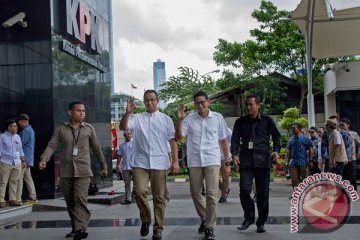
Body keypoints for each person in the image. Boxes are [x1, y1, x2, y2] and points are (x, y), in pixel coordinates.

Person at [38, 101, 108, 240]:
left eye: (83, 110)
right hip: (66, 171)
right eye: (78, 110)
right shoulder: (61, 129)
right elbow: (52, 145)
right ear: (70, 112)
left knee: (80, 200)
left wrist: (104, 166)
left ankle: (81, 229)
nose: (82, 112)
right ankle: (75, 227)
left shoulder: (89, 129)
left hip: (83, 171)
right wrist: (44, 159)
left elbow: (97, 148)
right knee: (70, 202)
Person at [119, 90, 179, 240]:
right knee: (139, 192)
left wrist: (175, 161)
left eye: (152, 100)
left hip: (160, 162)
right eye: (146, 100)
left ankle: (158, 228)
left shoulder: (166, 119)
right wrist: (127, 113)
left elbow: (173, 142)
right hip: (140, 162)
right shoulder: (137, 118)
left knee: (159, 197)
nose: (149, 103)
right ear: (144, 102)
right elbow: (123, 127)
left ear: (157, 101)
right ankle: (146, 219)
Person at [176, 90, 231, 240]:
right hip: (194, 161)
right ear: (194, 104)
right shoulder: (189, 119)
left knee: (212, 195)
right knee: (195, 193)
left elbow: (223, 140)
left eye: (203, 102)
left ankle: (210, 227)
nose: (200, 105)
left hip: (212, 160)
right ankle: (206, 219)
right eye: (197, 103)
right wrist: (180, 119)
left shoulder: (218, 118)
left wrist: (227, 162)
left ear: (208, 102)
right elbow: (180, 136)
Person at [231, 94, 281, 234]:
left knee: (262, 194)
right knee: (244, 190)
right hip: (246, 160)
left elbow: (276, 136)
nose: (248, 107)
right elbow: (234, 140)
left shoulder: (267, 121)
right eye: (246, 104)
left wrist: (276, 150)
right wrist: (234, 154)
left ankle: (261, 222)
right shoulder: (240, 122)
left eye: (251, 104)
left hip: (263, 160)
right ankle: (249, 217)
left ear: (258, 105)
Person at [0, 119, 25, 208]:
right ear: (9, 127)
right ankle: (1, 200)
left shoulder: (17, 136)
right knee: (3, 182)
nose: (16, 127)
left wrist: (23, 160)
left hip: (17, 162)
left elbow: (21, 149)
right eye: (14, 126)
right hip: (5, 162)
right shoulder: (2, 137)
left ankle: (12, 199)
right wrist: (10, 155)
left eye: (16, 126)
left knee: (14, 181)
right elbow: (0, 151)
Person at [16, 114, 37, 203]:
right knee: (28, 178)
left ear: (23, 121)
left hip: (24, 158)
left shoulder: (26, 130)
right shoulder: (30, 130)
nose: (18, 125)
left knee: (19, 178)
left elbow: (20, 143)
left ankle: (18, 198)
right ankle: (33, 197)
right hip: (28, 158)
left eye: (19, 122)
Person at [287, 123, 313, 190]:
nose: (292, 130)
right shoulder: (291, 140)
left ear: (299, 129)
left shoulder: (305, 139)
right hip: (293, 162)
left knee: (305, 179)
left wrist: (310, 161)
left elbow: (310, 150)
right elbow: (289, 152)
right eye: (292, 128)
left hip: (303, 162)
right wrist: (288, 162)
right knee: (294, 180)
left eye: (294, 128)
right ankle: (297, 194)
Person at [340, 117, 360, 190]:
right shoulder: (338, 134)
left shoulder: (353, 134)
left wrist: (359, 152)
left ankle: (354, 189)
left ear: (348, 125)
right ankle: (344, 189)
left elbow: (359, 144)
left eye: (343, 125)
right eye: (341, 125)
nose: (341, 126)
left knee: (352, 175)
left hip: (352, 157)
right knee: (343, 175)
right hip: (342, 158)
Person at [116, 129, 133, 204]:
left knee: (137, 184)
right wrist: (117, 165)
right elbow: (119, 156)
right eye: (127, 134)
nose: (129, 135)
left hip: (134, 167)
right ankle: (128, 199)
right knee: (127, 184)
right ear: (124, 135)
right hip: (125, 167)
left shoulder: (134, 143)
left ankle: (135, 198)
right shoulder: (122, 145)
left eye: (130, 134)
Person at [218, 127, 232, 203]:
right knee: (213, 177)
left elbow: (231, 142)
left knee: (225, 176)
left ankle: (224, 195)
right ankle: (225, 189)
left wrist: (230, 155)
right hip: (214, 156)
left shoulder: (228, 131)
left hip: (224, 156)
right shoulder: (212, 128)